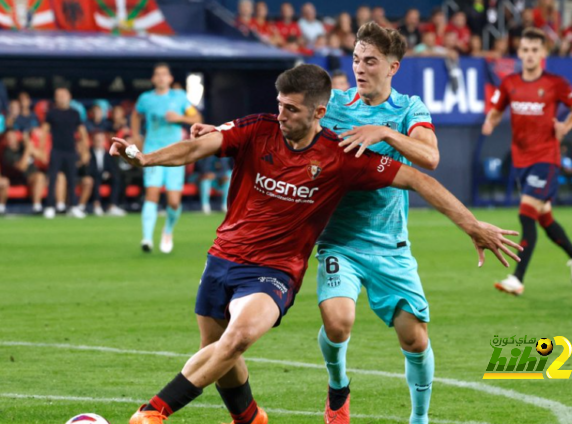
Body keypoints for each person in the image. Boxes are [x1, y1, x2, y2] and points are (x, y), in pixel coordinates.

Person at [112, 64, 521, 424]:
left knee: (235, 339)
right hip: (222, 258)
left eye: (291, 109)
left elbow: (419, 178)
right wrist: (146, 159)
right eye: (280, 104)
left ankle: (153, 412)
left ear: (318, 113)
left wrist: (472, 226)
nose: (281, 114)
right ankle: (250, 419)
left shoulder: (340, 157)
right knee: (218, 353)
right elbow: (199, 145)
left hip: (275, 271)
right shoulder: (258, 129)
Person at [313, 21, 439, 423]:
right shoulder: (332, 104)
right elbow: (283, 120)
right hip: (339, 240)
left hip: (390, 245)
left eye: (370, 61)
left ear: (392, 67)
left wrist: (384, 130)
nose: (360, 68)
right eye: (355, 59)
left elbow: (430, 157)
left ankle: (418, 419)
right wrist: (225, 132)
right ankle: (338, 387)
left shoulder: (409, 109)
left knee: (415, 338)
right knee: (338, 323)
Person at [483, 28, 572, 295]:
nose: (529, 55)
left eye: (534, 50)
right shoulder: (509, 83)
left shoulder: (556, 83)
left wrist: (565, 126)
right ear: (519, 53)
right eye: (525, 50)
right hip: (521, 160)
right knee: (545, 218)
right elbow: (496, 110)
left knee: (526, 214)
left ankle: (517, 279)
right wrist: (490, 122)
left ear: (543, 54)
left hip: (546, 158)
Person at [131, 63, 201, 253]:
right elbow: (136, 115)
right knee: (152, 194)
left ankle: (168, 230)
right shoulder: (146, 98)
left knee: (174, 202)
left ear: (170, 79)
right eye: (157, 74)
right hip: (153, 152)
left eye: (164, 74)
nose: (161, 77)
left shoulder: (179, 98)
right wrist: (136, 135)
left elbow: (197, 119)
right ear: (153, 79)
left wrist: (180, 118)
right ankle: (146, 239)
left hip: (175, 153)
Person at [41, 87, 89, 219]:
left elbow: (82, 133)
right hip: (56, 150)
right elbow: (44, 131)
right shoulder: (51, 113)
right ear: (55, 98)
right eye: (59, 95)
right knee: (53, 179)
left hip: (70, 150)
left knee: (72, 180)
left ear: (69, 96)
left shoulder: (75, 113)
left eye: (64, 95)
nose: (61, 97)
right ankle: (50, 206)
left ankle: (73, 206)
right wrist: (42, 150)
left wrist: (85, 150)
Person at [0, 129, 47, 214]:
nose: (10, 139)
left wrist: (29, 145)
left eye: (12, 137)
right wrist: (28, 150)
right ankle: (1, 209)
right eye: (8, 138)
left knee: (40, 177)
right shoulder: (7, 152)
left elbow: (44, 159)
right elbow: (22, 167)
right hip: (17, 179)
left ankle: (37, 207)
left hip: (31, 177)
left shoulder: (23, 146)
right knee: (4, 182)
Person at [89, 131, 126, 216]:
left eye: (101, 140)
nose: (99, 142)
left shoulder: (108, 153)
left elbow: (113, 168)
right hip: (94, 176)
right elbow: (89, 169)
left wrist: (108, 173)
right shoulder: (89, 153)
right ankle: (96, 205)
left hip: (106, 177)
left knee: (116, 178)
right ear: (93, 141)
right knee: (96, 178)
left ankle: (112, 206)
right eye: (97, 140)